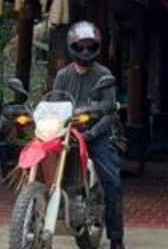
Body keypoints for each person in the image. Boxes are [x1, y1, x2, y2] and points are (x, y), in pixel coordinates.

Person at [53, 21, 126, 249]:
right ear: (71, 46)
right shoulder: (63, 75)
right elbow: (54, 103)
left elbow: (110, 113)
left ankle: (116, 237)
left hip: (97, 135)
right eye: (81, 47)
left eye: (90, 47)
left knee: (112, 182)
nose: (85, 51)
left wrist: (92, 133)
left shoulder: (104, 75)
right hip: (66, 134)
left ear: (97, 47)